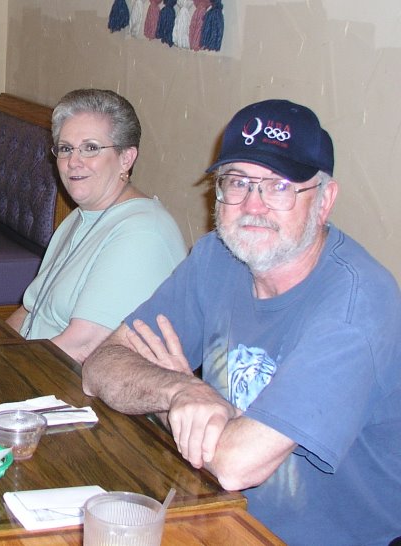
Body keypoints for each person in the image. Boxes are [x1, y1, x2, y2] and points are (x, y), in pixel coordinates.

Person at [82, 99, 401, 545]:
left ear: (324, 200)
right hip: (210, 509)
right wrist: (181, 390)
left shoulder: (355, 305)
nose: (253, 205)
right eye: (237, 182)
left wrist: (167, 405)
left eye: (278, 187)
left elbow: (236, 465)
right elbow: (100, 367)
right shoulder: (218, 255)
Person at [6, 89, 186, 364]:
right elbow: (30, 311)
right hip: (38, 370)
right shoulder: (81, 216)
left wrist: (6, 372)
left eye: (91, 148)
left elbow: (85, 347)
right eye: (65, 148)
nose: (73, 162)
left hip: (75, 390)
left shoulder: (142, 233)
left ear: (126, 158)